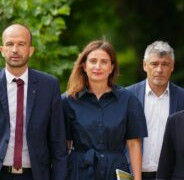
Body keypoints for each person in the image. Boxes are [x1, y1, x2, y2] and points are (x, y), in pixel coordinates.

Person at [62, 40, 147, 180]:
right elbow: (64, 145)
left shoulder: (128, 100)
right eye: (93, 61)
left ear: (111, 67)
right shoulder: (68, 101)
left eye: (104, 62)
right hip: (79, 172)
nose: (97, 66)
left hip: (116, 171)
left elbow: (134, 144)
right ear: (84, 65)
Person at [0, 24, 67, 179]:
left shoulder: (49, 86)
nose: (15, 49)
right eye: (10, 44)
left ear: (31, 50)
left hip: (35, 175)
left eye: (21, 44)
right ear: (2, 50)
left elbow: (58, 142)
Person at [127, 40, 184, 180]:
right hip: (133, 174)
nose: (159, 70)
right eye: (154, 64)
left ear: (172, 67)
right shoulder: (128, 96)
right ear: (145, 65)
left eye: (165, 64)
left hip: (172, 175)